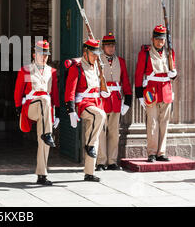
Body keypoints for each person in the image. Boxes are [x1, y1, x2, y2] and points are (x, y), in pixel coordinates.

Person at [14, 40, 59, 186]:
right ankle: (48, 135)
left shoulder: (52, 71)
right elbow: (18, 91)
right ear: (34, 54)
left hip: (46, 111)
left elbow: (55, 94)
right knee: (44, 99)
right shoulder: (26, 70)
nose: (44, 57)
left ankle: (42, 174)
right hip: (31, 106)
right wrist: (18, 109)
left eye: (46, 54)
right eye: (41, 54)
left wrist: (56, 112)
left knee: (44, 143)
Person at [64, 39, 110, 182]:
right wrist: (70, 110)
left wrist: (103, 91)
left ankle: (89, 172)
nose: (96, 57)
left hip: (95, 102)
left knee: (93, 136)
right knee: (100, 116)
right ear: (85, 52)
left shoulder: (96, 66)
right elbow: (69, 91)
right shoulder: (76, 67)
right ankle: (88, 145)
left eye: (97, 54)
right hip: (83, 104)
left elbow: (98, 84)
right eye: (93, 54)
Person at [135, 25, 177, 163]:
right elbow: (139, 74)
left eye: (162, 40)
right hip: (151, 91)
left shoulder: (170, 53)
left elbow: (172, 71)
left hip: (166, 90)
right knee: (152, 123)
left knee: (164, 123)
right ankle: (151, 153)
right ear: (152, 39)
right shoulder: (145, 53)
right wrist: (140, 94)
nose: (160, 42)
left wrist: (174, 74)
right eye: (158, 39)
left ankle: (161, 152)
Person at [96, 33, 133, 171]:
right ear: (103, 47)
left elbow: (126, 82)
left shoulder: (121, 61)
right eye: (108, 45)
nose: (111, 48)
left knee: (113, 132)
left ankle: (112, 161)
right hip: (102, 100)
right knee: (101, 132)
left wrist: (127, 100)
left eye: (112, 45)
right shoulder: (97, 61)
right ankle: (101, 161)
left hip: (116, 100)